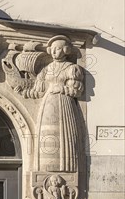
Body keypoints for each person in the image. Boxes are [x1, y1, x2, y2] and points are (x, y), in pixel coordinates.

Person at [16, 35, 84, 172]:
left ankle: (65, 167)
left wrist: (63, 89)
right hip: (47, 103)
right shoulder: (46, 69)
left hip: (64, 104)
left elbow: (77, 90)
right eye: (52, 49)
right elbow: (38, 92)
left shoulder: (72, 68)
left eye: (57, 49)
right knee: (45, 134)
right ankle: (46, 166)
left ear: (65, 50)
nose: (54, 52)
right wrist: (23, 92)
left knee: (63, 135)